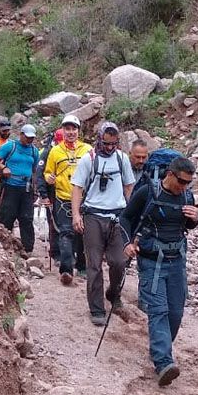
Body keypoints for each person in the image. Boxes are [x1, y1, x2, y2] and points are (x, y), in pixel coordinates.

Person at [121, 157, 198, 387]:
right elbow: (126, 218)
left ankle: (160, 349)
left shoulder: (187, 196)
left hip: (177, 262)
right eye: (182, 181)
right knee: (158, 310)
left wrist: (196, 218)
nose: (185, 186)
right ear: (170, 174)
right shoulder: (147, 193)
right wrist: (127, 243)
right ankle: (163, 362)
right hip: (151, 262)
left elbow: (187, 226)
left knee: (176, 312)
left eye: (189, 182)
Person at [71, 122, 137, 326]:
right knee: (94, 264)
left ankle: (113, 292)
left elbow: (129, 186)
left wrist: (131, 216)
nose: (110, 148)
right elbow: (77, 188)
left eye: (114, 143)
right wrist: (76, 215)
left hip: (117, 216)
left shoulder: (122, 159)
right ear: (99, 140)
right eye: (106, 143)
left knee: (119, 261)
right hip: (93, 216)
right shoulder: (88, 159)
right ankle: (97, 308)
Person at [43, 114, 90, 285]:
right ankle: (66, 270)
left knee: (83, 234)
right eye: (67, 129)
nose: (70, 132)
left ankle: (83, 266)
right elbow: (47, 171)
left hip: (85, 199)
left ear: (78, 131)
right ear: (62, 130)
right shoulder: (55, 151)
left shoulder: (87, 150)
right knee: (65, 233)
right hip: (63, 198)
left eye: (73, 129)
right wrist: (49, 178)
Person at [0, 124, 40, 254]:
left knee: (27, 218)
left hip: (26, 189)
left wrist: (36, 189)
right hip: (10, 186)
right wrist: (4, 168)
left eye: (32, 138)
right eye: (27, 137)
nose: (29, 140)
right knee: (6, 215)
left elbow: (35, 171)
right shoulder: (10, 146)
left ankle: (27, 249)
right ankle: (3, 244)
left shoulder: (34, 151)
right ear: (21, 135)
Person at [34, 128, 65, 263]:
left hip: (65, 192)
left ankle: (67, 251)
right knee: (53, 221)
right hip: (51, 192)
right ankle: (55, 252)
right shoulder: (47, 153)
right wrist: (43, 195)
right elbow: (40, 175)